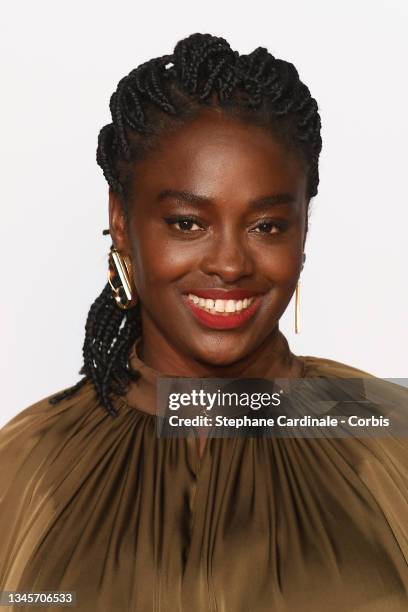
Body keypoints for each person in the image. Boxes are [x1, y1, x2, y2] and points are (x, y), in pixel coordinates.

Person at [0, 33, 407, 612]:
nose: (230, 263)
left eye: (267, 225)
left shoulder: (390, 433)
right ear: (121, 220)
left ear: (304, 230)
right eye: (188, 223)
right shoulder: (26, 466)